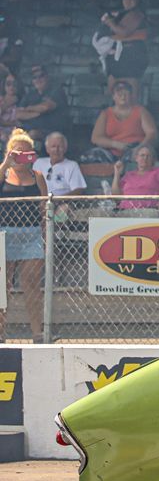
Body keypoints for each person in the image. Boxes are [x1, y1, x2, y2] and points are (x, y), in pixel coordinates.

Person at [0, 128, 46, 341]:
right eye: (17, 153)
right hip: (5, 234)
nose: (21, 158)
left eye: (26, 154)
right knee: (3, 286)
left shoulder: (37, 177)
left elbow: (44, 208)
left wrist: (45, 235)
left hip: (31, 235)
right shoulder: (3, 174)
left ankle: (37, 332)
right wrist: (5, 165)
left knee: (32, 284)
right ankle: (1, 332)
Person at [86, 80, 156, 163]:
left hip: (135, 150)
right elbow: (96, 138)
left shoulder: (140, 111)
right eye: (119, 94)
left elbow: (152, 133)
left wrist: (139, 148)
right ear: (113, 96)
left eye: (126, 94)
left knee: (138, 157)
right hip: (112, 152)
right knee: (91, 156)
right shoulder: (105, 114)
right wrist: (116, 144)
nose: (123, 97)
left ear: (131, 96)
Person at [98, 0, 149, 98]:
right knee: (113, 94)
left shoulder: (137, 14)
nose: (128, 0)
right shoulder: (120, 14)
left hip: (131, 58)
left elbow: (123, 32)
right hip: (116, 59)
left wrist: (110, 23)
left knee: (130, 96)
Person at [15, 64, 68, 140]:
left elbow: (45, 107)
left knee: (32, 134)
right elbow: (18, 114)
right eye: (34, 77)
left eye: (41, 76)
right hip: (28, 129)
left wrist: (27, 109)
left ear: (47, 77)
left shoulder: (57, 91)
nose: (38, 79)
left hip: (52, 132)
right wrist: (38, 113)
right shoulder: (30, 94)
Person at [113, 145, 159, 212]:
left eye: (148, 156)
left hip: (149, 211)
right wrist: (117, 173)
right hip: (124, 210)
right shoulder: (128, 175)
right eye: (142, 155)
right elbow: (116, 197)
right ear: (136, 158)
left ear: (153, 159)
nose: (145, 158)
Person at [34, 132, 85, 197]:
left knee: (64, 207)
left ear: (65, 148)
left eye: (60, 146)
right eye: (53, 146)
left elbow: (78, 189)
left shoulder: (72, 165)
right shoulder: (39, 163)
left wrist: (58, 200)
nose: (56, 150)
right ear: (47, 149)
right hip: (39, 200)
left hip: (63, 202)